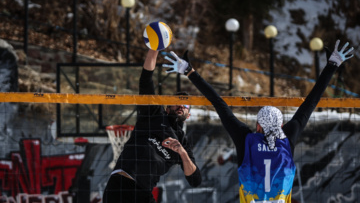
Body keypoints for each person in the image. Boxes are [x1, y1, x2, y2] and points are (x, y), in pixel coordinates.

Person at [163, 40, 353, 202]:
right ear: (280, 126)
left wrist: (189, 71)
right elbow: (312, 102)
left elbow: (218, 103)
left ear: (258, 125)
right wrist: (333, 64)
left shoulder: (246, 140)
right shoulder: (287, 138)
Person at [103, 49, 202, 203]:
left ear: (188, 115)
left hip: (143, 193)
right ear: (167, 107)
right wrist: (154, 48)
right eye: (177, 102)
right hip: (122, 185)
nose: (181, 105)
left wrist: (182, 153)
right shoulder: (153, 113)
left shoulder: (182, 143)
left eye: (186, 104)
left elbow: (195, 180)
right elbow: (146, 80)